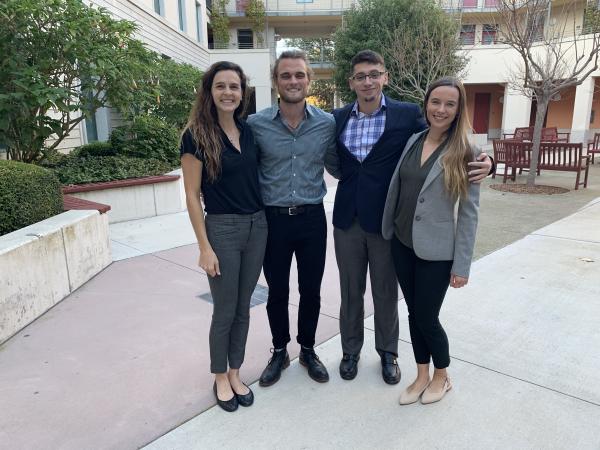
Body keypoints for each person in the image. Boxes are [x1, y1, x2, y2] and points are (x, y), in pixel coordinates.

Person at [330, 50, 492, 385]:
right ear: (352, 82)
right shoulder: (338, 117)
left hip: (387, 224)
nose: (368, 81)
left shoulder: (407, 117)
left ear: (385, 77)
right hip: (347, 220)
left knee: (386, 293)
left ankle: (388, 353)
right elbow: (334, 162)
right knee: (350, 291)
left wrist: (489, 164)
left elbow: (445, 136)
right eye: (360, 76)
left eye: (374, 74)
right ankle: (350, 352)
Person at [382, 77, 480, 405]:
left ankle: (442, 375)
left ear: (458, 109)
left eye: (449, 104)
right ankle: (421, 374)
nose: (440, 109)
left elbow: (469, 213)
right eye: (435, 102)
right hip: (402, 243)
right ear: (426, 104)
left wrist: (462, 265)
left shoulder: (466, 151)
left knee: (427, 316)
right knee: (413, 312)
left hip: (436, 252)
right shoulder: (413, 139)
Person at [247, 50, 339, 386]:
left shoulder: (327, 124)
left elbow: (340, 163)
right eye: (286, 75)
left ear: (308, 80)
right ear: (276, 82)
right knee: (276, 292)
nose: (293, 81)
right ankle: (279, 351)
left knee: (311, 290)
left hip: (312, 218)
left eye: (299, 75)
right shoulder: (256, 125)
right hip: (273, 221)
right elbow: (243, 168)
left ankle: (308, 349)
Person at [180, 61, 267, 412]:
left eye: (234, 86)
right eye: (221, 86)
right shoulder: (195, 135)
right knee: (225, 309)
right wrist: (204, 247)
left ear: (242, 92)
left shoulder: (248, 131)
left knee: (244, 307)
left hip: (257, 226)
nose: (228, 92)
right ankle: (219, 375)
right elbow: (191, 195)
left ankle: (235, 371)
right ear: (209, 92)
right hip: (222, 229)